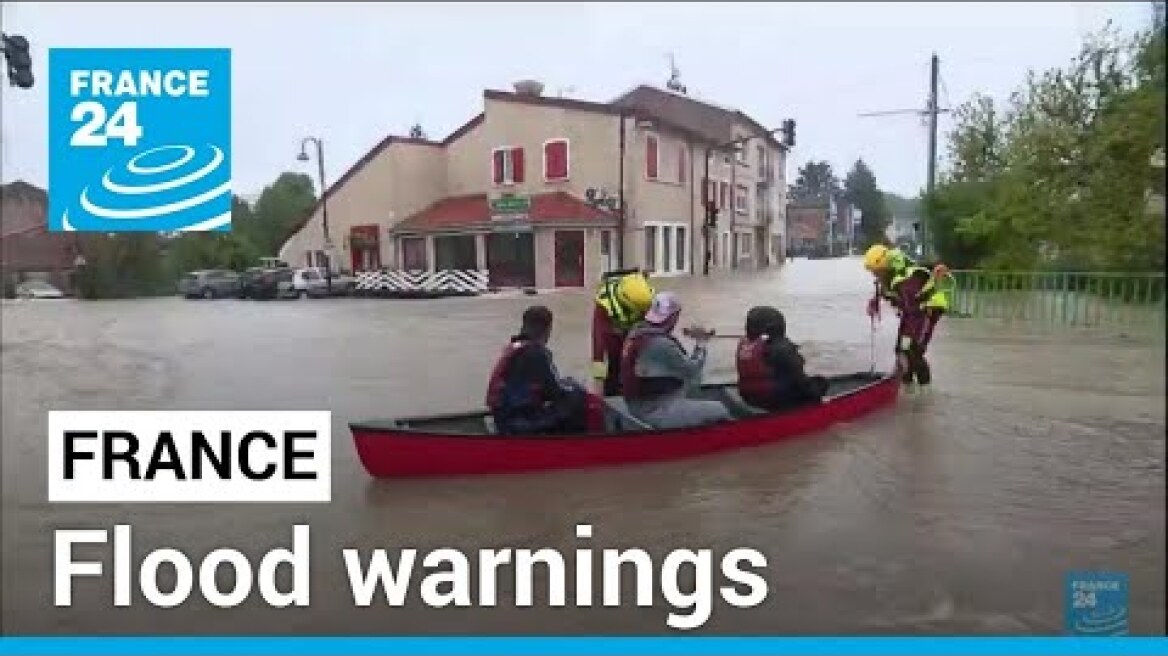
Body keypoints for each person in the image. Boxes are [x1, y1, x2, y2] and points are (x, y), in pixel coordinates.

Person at [618, 291, 732, 429]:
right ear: (673, 317)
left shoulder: (636, 333)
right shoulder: (660, 343)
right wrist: (701, 343)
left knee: (693, 387)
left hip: (637, 404)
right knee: (720, 408)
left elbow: (686, 376)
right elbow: (692, 370)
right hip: (653, 410)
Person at [485, 305, 588, 434]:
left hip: (503, 417)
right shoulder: (536, 353)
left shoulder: (515, 347)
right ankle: (573, 442)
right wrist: (575, 387)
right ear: (546, 330)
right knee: (576, 397)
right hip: (518, 422)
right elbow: (555, 392)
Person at [863, 244, 952, 392]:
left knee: (913, 351)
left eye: (877, 272)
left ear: (884, 266)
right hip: (911, 311)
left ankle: (926, 392)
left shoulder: (906, 278)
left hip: (928, 309)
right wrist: (874, 302)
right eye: (873, 272)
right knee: (901, 351)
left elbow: (914, 309)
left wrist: (939, 267)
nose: (875, 275)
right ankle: (907, 389)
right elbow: (885, 291)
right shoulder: (888, 274)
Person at [735, 306, 830, 411]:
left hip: (749, 397)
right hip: (777, 400)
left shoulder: (745, 345)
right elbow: (800, 381)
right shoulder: (782, 347)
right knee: (821, 382)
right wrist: (816, 391)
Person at [590, 269, 655, 396]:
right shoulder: (604, 302)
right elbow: (598, 343)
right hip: (613, 331)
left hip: (634, 331)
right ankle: (612, 393)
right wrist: (598, 380)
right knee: (614, 363)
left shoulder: (646, 295)